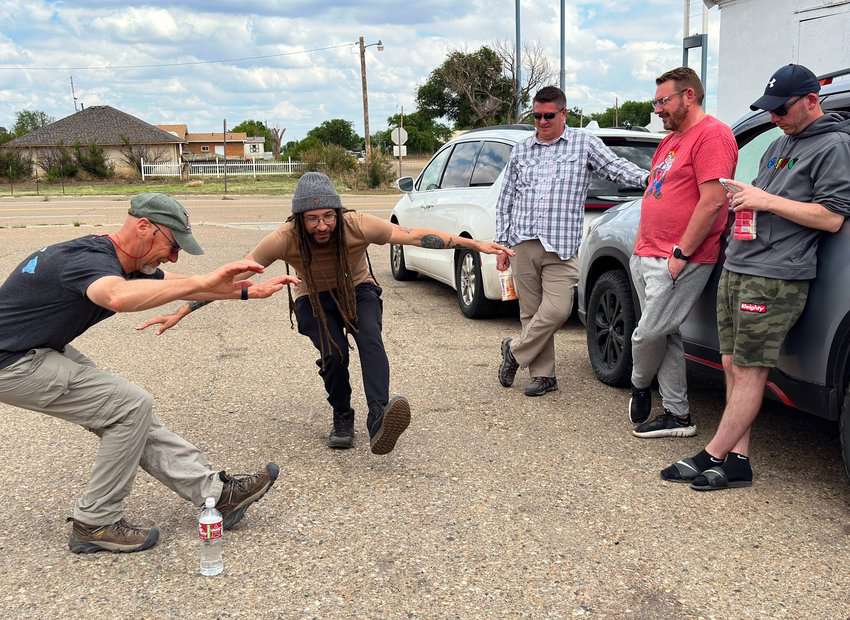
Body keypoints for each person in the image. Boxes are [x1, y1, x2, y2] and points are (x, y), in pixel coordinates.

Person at [0, 193, 297, 554]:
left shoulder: (117, 259)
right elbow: (117, 297)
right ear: (144, 227)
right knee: (129, 406)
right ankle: (95, 522)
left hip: (37, 348)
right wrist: (207, 280)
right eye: (172, 245)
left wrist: (247, 292)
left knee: (129, 414)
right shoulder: (87, 262)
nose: (173, 256)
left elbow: (176, 281)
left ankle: (217, 495)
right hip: (13, 362)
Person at [141, 172, 513, 453]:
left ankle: (380, 419)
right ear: (299, 218)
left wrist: (475, 243)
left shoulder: (356, 224)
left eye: (327, 216)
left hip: (358, 289)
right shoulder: (283, 238)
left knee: (370, 340)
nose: (322, 226)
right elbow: (232, 275)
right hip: (312, 296)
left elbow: (414, 235)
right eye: (312, 218)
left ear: (337, 212)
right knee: (333, 354)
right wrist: (185, 309)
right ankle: (342, 415)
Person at [661, 64, 850, 490]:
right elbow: (768, 200)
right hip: (742, 264)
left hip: (776, 274)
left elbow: (832, 217)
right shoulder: (780, 143)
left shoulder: (835, 146)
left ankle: (711, 453)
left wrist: (765, 200)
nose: (773, 118)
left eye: (780, 110)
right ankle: (738, 460)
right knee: (731, 363)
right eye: (769, 110)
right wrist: (742, 200)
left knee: (749, 368)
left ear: (810, 101)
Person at [496, 85, 649, 397]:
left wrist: (649, 179)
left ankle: (514, 350)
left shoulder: (584, 144)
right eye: (536, 116)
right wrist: (501, 243)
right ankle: (543, 376)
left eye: (548, 116)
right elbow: (506, 199)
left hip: (562, 246)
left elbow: (615, 167)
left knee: (557, 310)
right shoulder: (522, 150)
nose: (541, 122)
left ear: (563, 113)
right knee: (531, 311)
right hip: (523, 241)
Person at [628, 67, 738, 438]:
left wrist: (681, 253)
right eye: (655, 101)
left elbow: (712, 202)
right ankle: (678, 415)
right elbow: (653, 192)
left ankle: (639, 383)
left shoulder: (713, 135)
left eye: (663, 101)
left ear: (688, 96)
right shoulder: (670, 140)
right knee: (666, 334)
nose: (657, 109)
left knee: (646, 335)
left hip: (680, 258)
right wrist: (641, 244)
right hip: (647, 252)